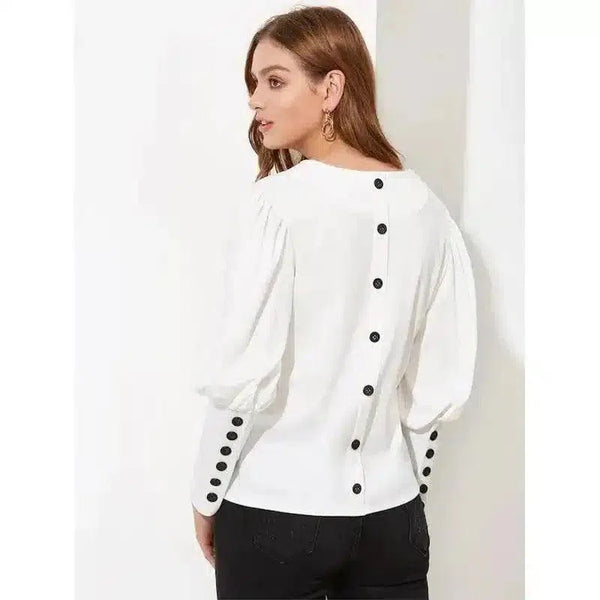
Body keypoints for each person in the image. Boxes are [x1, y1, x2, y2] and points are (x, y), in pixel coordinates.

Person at [190, 6, 477, 599]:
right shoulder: (430, 213)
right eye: (253, 83)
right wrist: (408, 496)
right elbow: (431, 392)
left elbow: (243, 376)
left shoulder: (276, 206)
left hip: (274, 512)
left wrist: (207, 492)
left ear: (331, 88)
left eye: (274, 80)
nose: (255, 100)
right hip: (393, 521)